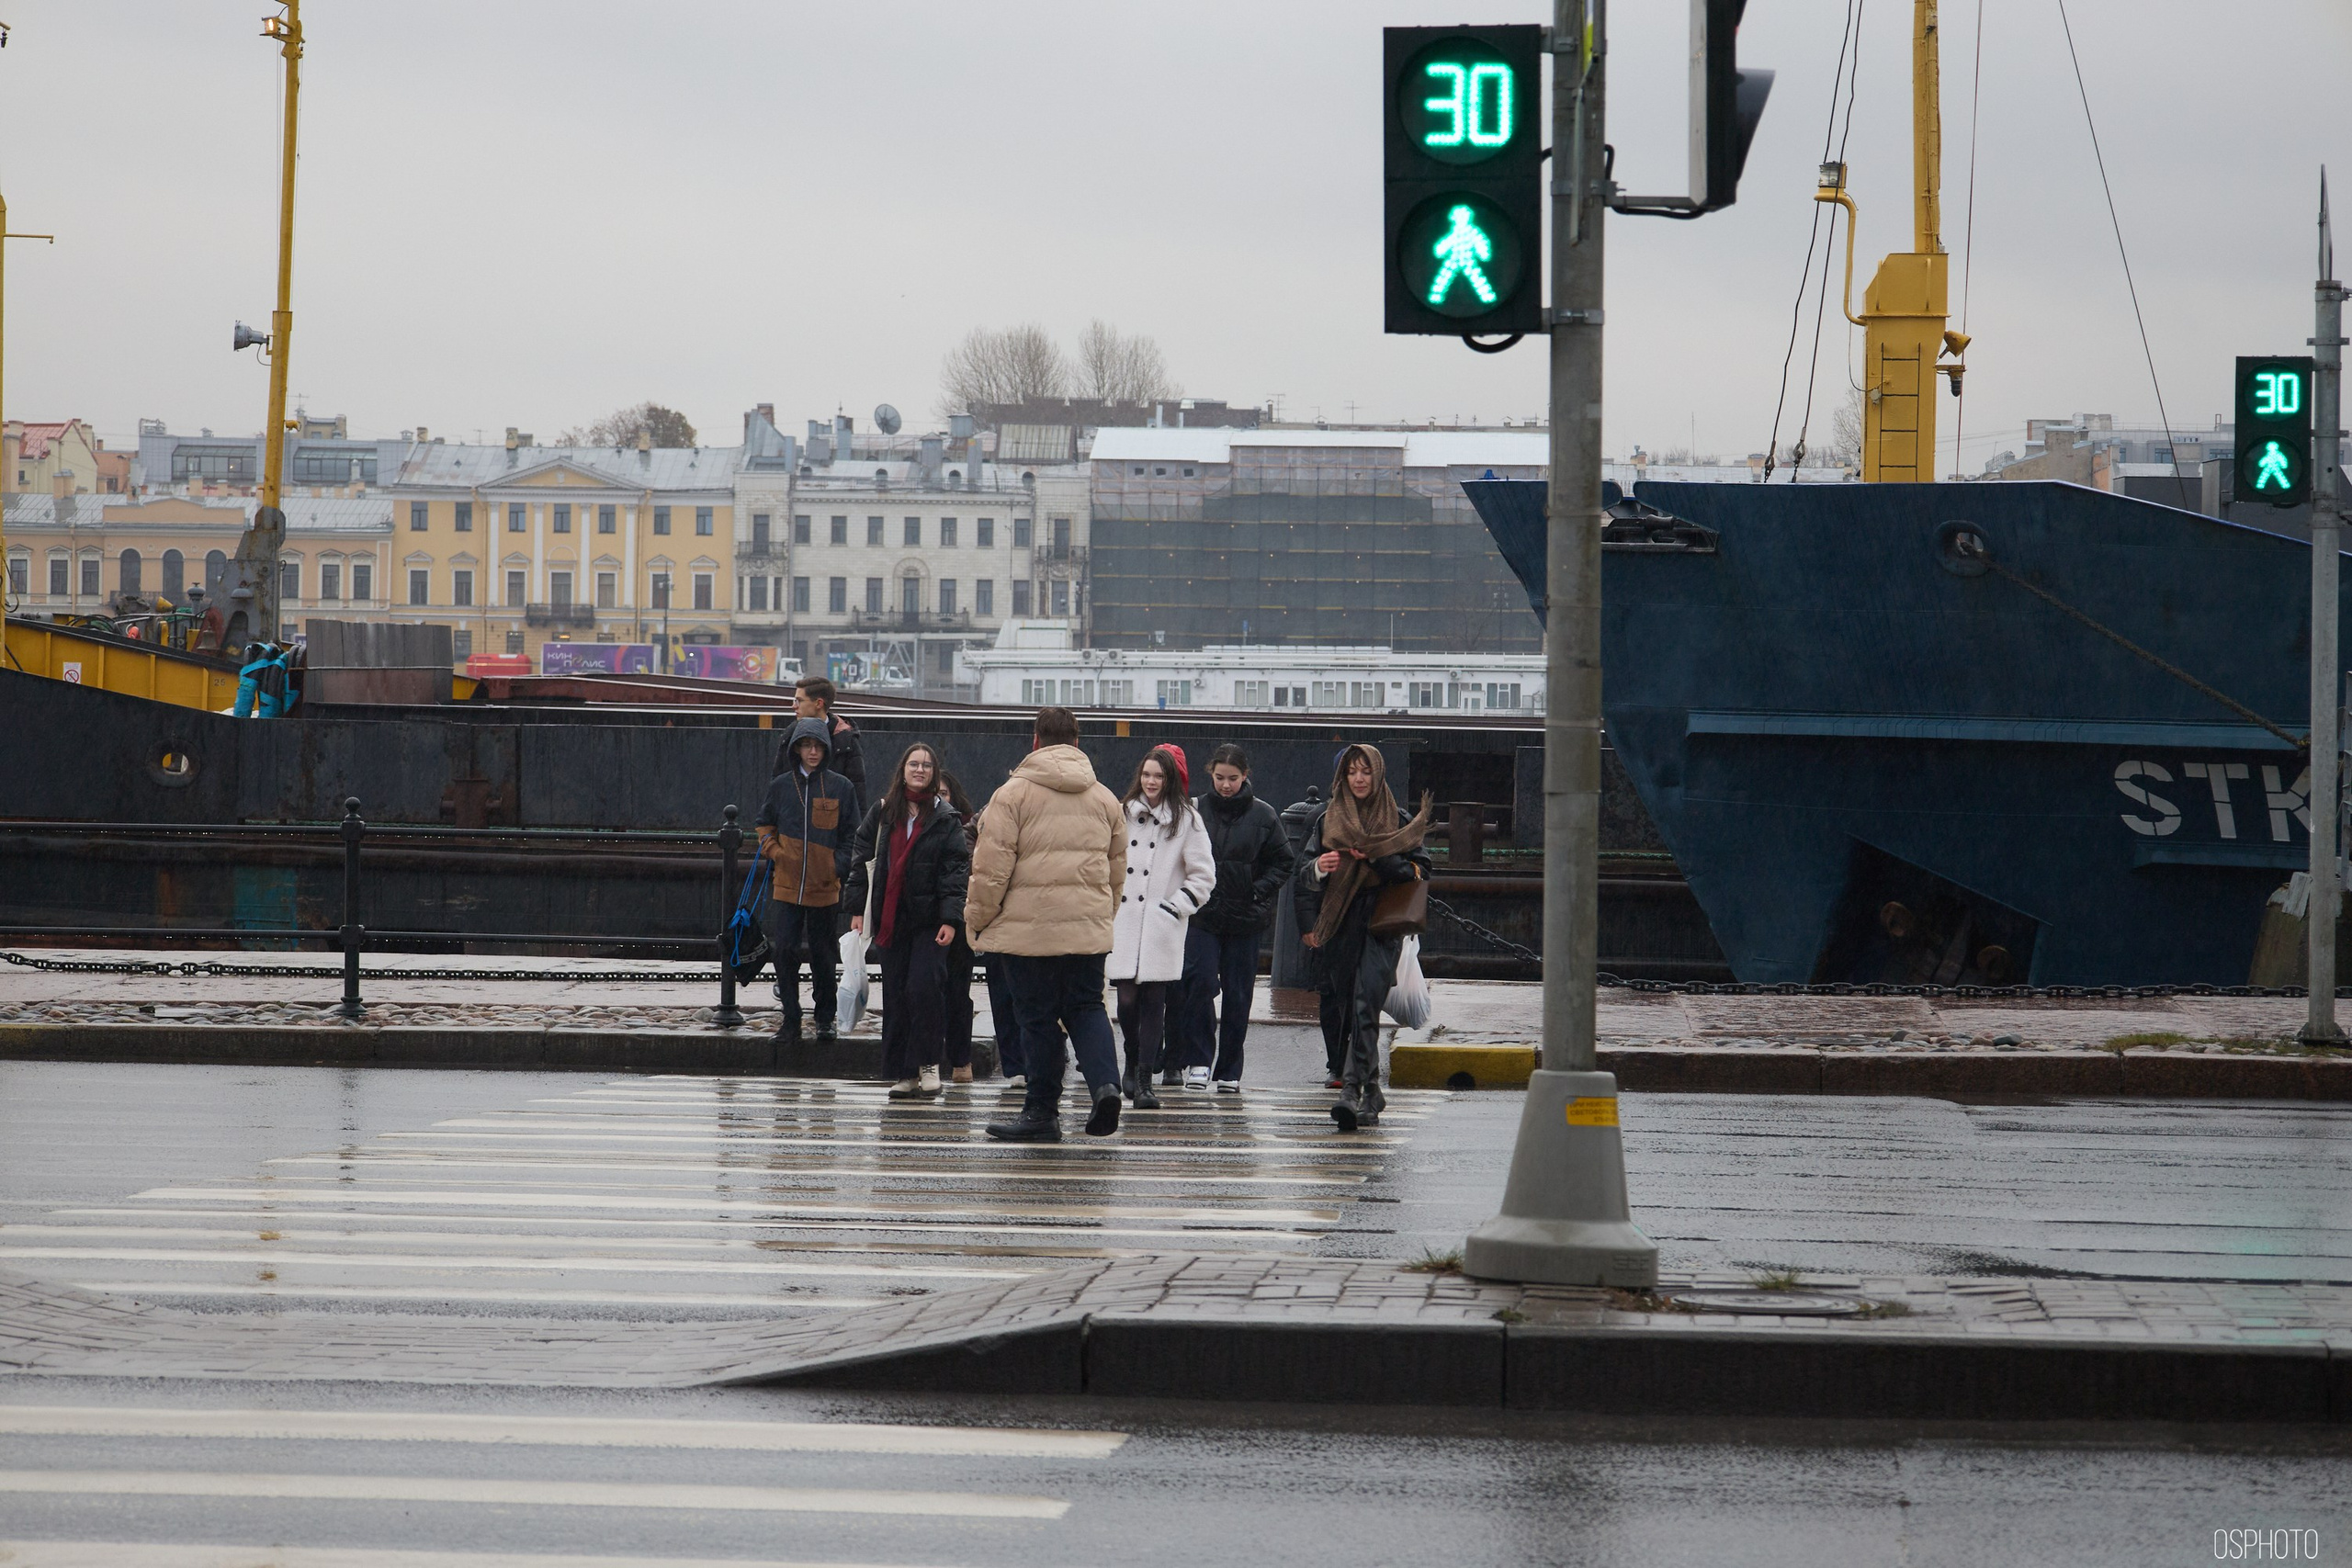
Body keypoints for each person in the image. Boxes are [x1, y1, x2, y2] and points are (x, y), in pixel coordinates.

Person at [967, 706, 1127, 1143]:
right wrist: (1101, 916)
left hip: (1027, 934)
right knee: (1087, 1007)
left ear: (1035, 741)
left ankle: (1041, 1113)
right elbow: (1117, 872)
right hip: (1086, 931)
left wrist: (977, 922)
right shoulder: (1105, 799)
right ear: (1077, 742)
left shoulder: (1011, 795)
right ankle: (1105, 1086)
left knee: (1037, 1019)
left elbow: (990, 872)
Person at [1294, 744, 1432, 1132]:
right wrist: (1319, 866)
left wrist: (1377, 856)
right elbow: (1303, 874)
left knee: (1364, 1003)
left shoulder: (1398, 818)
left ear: (1378, 774)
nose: (1358, 778)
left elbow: (1421, 870)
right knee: (1353, 1008)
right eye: (1352, 771)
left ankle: (1351, 1090)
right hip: (1340, 924)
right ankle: (1372, 1091)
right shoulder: (1328, 818)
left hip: (1382, 925)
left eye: (1366, 771)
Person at [844, 743, 971, 1100]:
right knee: (897, 994)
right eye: (914, 764)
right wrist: (857, 909)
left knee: (924, 987)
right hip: (892, 918)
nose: (919, 770)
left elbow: (955, 870)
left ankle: (929, 1063)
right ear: (903, 770)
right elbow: (862, 857)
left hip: (930, 921)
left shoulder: (945, 817)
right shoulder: (884, 811)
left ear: (934, 772)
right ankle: (904, 1072)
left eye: (926, 765)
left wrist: (951, 918)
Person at [1173, 743, 1297, 1093]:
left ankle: (1229, 1069)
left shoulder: (1264, 815)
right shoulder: (1194, 811)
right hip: (1204, 914)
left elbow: (1283, 861)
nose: (1225, 785)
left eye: (1232, 778)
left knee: (1238, 994)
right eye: (1219, 778)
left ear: (1245, 776)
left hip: (1245, 918)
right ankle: (1199, 1061)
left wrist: (1256, 891)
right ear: (1210, 775)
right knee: (1198, 982)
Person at [1107, 747, 1216, 1109]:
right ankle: (1132, 1054)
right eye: (1147, 775)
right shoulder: (1123, 812)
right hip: (1124, 920)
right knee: (1126, 1000)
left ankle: (1144, 1081)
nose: (1151, 782)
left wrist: (1175, 907)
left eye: (1158, 776)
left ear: (1169, 780)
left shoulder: (1187, 820)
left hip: (1161, 924)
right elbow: (1105, 859)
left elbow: (1204, 875)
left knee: (1155, 1002)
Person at [755, 716, 860, 1047]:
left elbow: (852, 836)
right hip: (787, 886)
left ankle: (825, 1018)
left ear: (826, 749)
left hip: (824, 889)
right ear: (797, 749)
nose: (813, 752)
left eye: (818, 746)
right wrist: (777, 853)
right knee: (784, 951)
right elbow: (763, 825)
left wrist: (835, 866)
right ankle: (791, 1018)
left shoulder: (841, 787)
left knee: (823, 955)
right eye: (806, 746)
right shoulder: (781, 786)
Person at [779, 676, 865, 814]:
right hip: (793, 820)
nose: (794, 706)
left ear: (819, 703)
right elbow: (776, 788)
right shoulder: (790, 735)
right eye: (806, 745)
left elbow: (857, 795)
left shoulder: (846, 740)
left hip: (833, 822)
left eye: (799, 701)